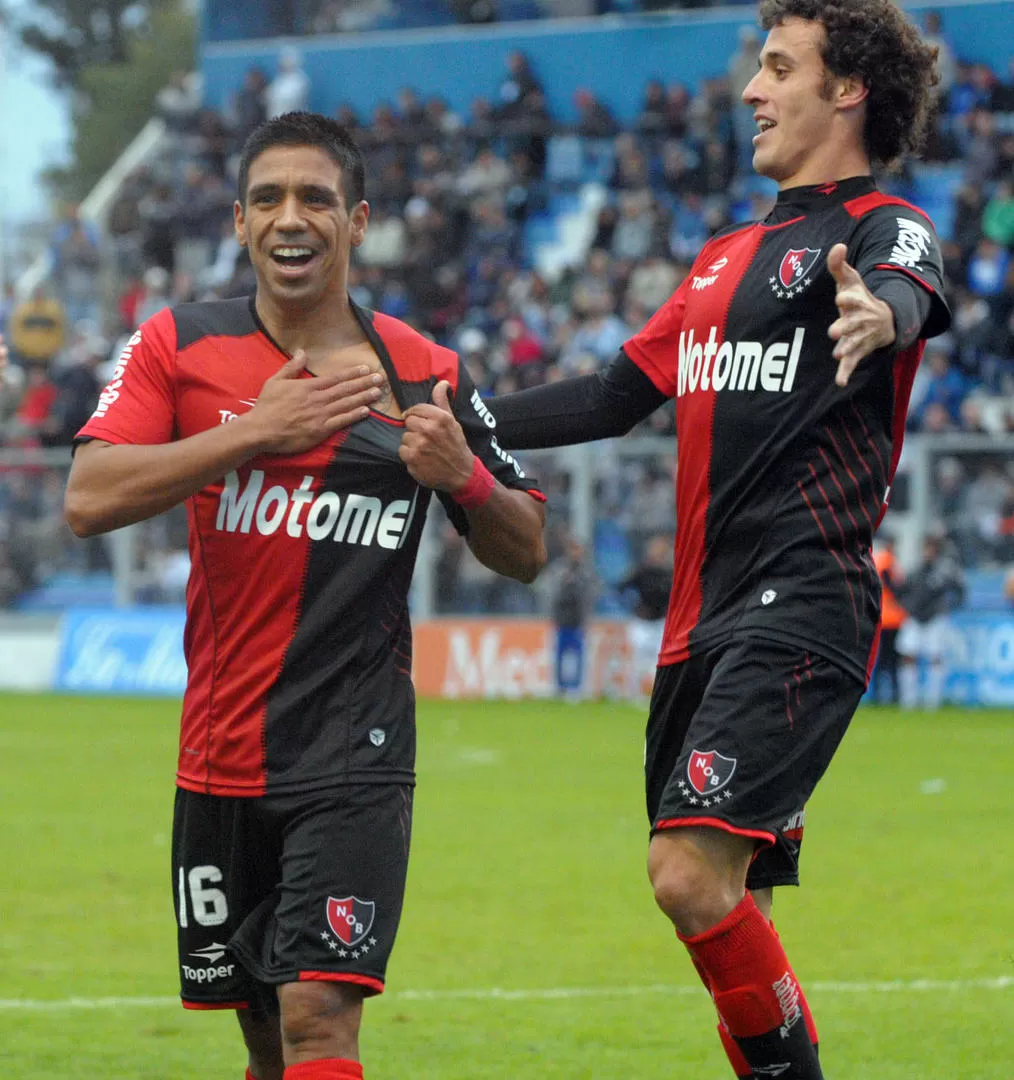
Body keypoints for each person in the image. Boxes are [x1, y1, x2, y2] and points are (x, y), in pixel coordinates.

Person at [488, 3, 950, 1077]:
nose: (750, 89)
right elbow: (610, 396)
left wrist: (881, 313)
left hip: (803, 601)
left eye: (778, 67)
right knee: (715, 894)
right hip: (699, 627)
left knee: (687, 874)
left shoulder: (885, 224)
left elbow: (910, 283)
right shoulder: (720, 260)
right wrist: (465, 417)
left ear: (848, 92)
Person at [63, 112, 547, 1080]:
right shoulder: (177, 344)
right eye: (271, 199)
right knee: (260, 1037)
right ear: (239, 223)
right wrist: (255, 431)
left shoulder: (426, 369)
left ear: (358, 221)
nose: (294, 218)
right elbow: (88, 496)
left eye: (317, 198)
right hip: (219, 755)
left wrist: (463, 476)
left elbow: (527, 547)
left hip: (354, 756)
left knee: (318, 1020)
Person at [896, 531, 965, 710]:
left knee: (935, 657)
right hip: (915, 617)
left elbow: (960, 591)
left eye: (931, 548)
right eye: (926, 548)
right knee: (909, 656)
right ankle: (908, 701)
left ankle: (932, 702)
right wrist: (908, 607)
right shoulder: (914, 571)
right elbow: (900, 592)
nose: (928, 552)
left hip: (935, 618)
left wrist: (948, 607)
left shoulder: (945, 572)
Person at [621, 533, 673, 701]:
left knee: (660, 662)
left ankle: (658, 696)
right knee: (637, 662)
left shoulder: (669, 573)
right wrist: (632, 606)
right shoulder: (641, 571)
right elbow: (622, 587)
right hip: (642, 622)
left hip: (660, 623)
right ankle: (633, 694)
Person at [872, 534, 906, 704]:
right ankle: (893, 694)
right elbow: (892, 585)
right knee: (891, 659)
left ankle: (879, 694)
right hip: (891, 617)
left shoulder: (877, 559)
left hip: (883, 616)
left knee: (883, 658)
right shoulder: (888, 560)